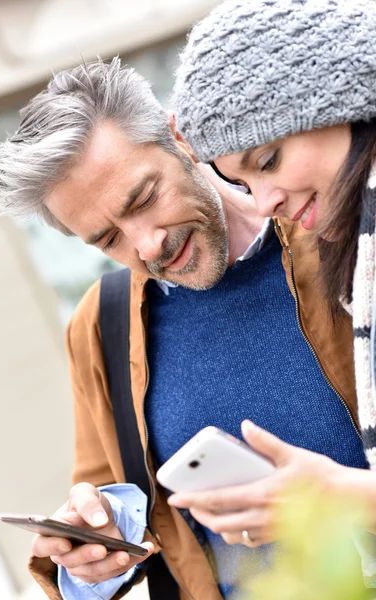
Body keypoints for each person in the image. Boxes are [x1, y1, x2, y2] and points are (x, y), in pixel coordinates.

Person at [0, 57, 368, 600]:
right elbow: (117, 505)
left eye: (144, 200)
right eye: (107, 241)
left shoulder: (341, 237)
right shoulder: (102, 326)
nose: (146, 246)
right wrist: (95, 552)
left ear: (181, 139)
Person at [170, 0, 376, 569]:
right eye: (239, 179)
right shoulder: (359, 252)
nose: (266, 202)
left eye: (268, 159)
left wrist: (340, 496)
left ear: (345, 97)